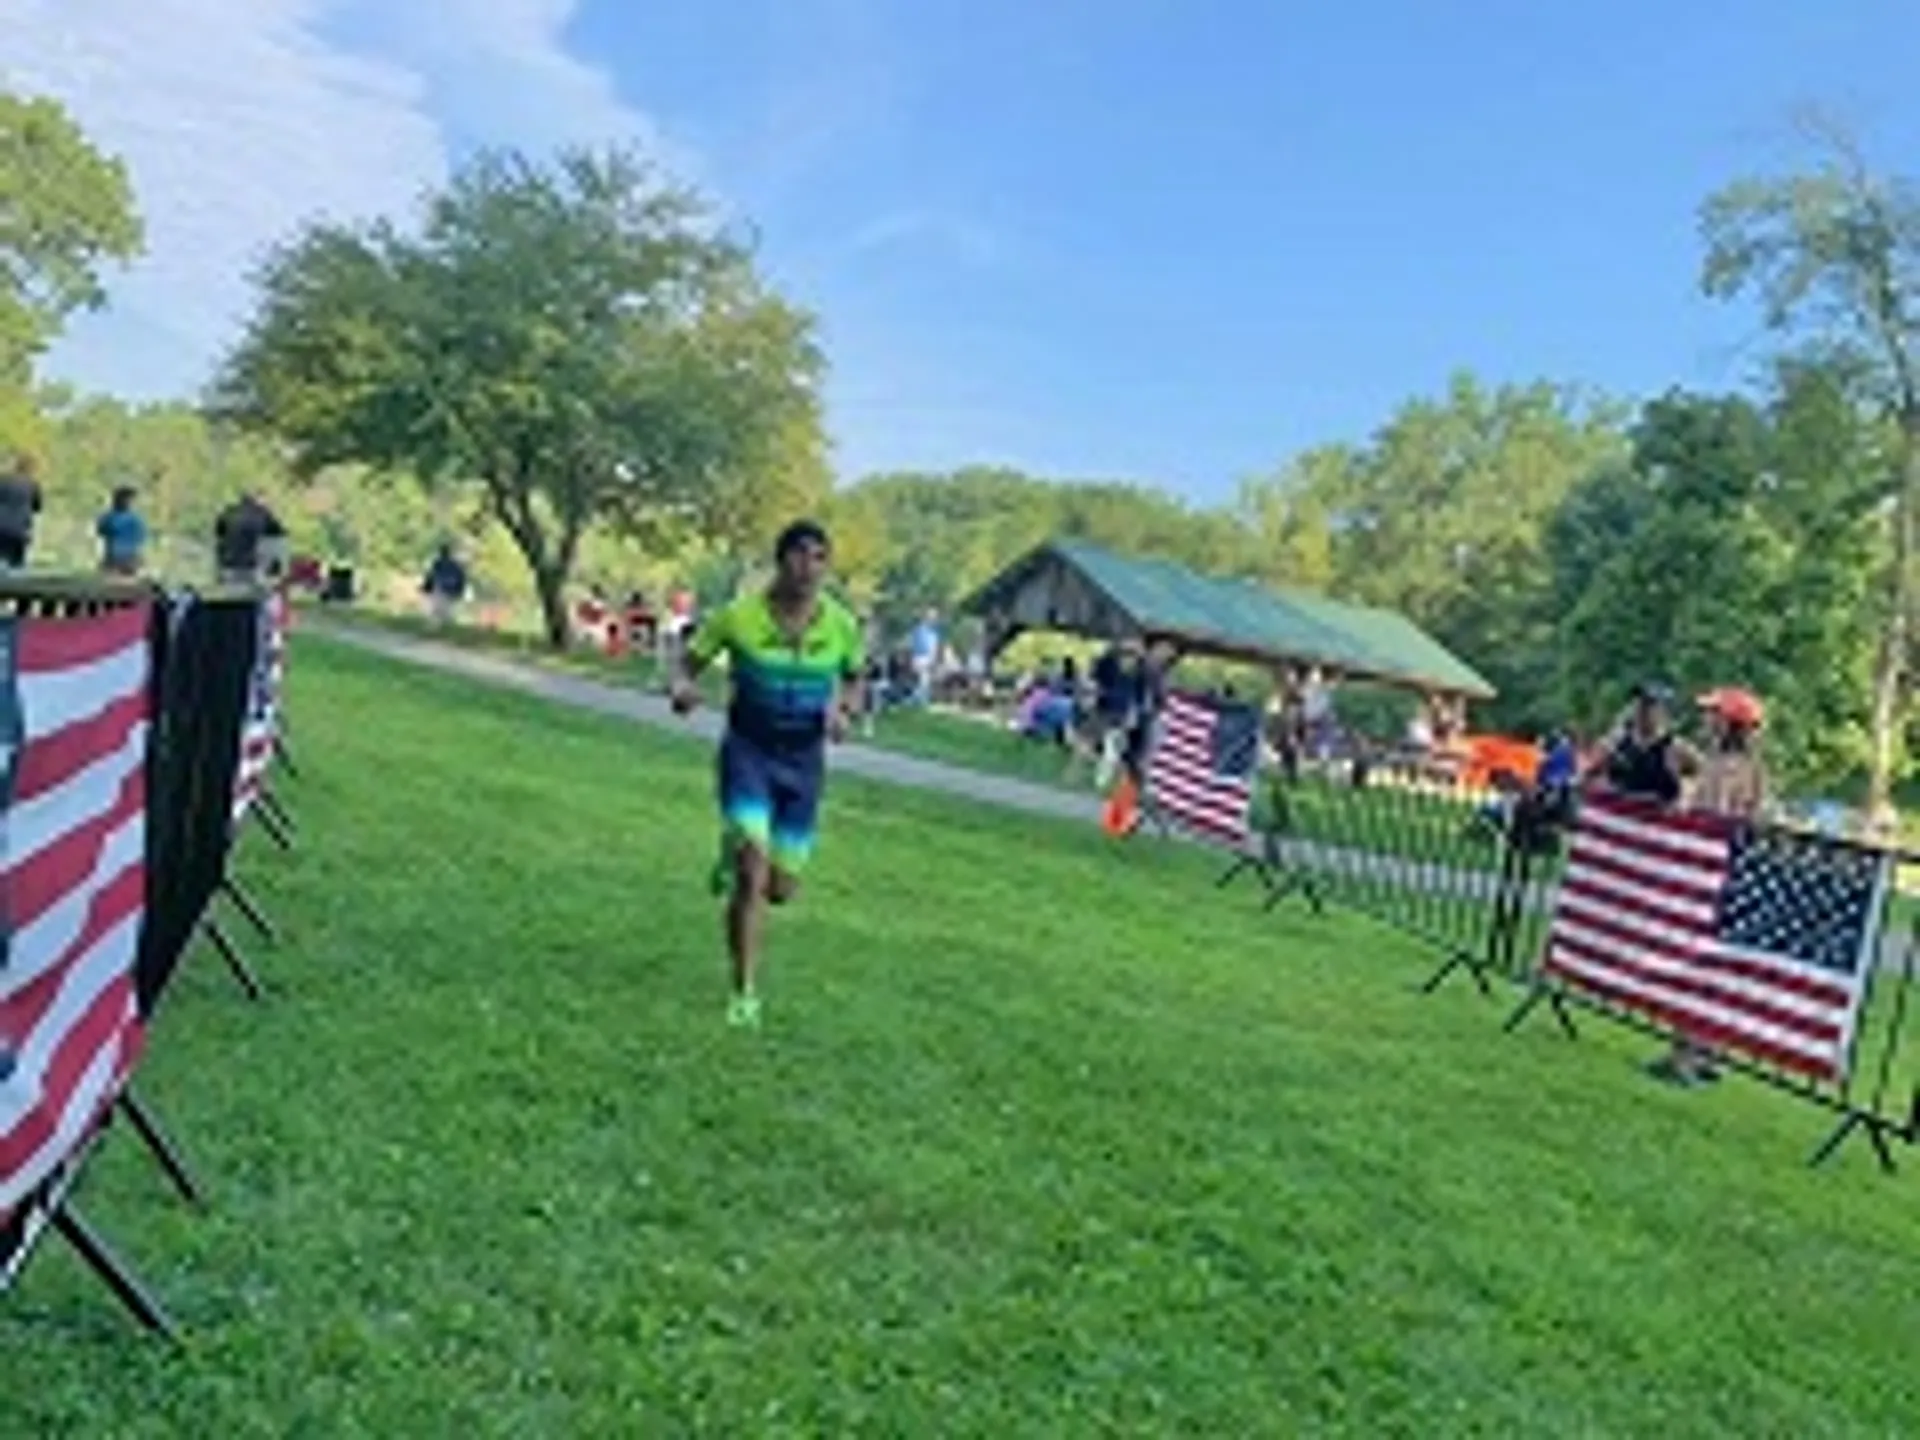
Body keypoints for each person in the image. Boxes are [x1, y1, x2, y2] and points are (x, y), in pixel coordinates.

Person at [671, 519, 865, 1029]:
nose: (809, 567)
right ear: (780, 561)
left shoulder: (841, 625)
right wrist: (682, 688)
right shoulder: (738, 617)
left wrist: (844, 710)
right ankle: (744, 991)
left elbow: (854, 677)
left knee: (781, 889)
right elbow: (687, 664)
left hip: (804, 763)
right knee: (752, 875)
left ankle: (734, 852)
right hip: (748, 751)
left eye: (820, 557)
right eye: (799, 555)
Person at [1647, 686, 1771, 1087]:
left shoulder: (1728, 768)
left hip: (1712, 876)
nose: (1707, 720)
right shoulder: (1748, 767)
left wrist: (1681, 812)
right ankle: (1707, 1053)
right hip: (1729, 875)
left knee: (1696, 965)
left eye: (1713, 714)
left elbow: (1712, 819)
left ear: (1730, 724)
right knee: (1715, 966)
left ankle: (1686, 1056)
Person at [214, 491, 287, 585]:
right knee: (273, 542)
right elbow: (279, 537)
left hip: (228, 565)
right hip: (252, 567)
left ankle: (220, 576)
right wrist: (275, 570)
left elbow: (219, 534)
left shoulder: (228, 512)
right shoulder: (264, 515)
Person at [0, 453, 44, 568]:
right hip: (20, 530)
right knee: (16, 566)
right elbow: (37, 508)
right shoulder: (33, 485)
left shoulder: (3, 481)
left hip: (1, 527)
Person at [420, 542, 468, 626]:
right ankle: (445, 626)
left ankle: (437, 626)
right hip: (451, 590)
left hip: (441, 589)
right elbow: (461, 578)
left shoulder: (437, 563)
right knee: (447, 611)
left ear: (440, 552)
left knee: (436, 611)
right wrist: (460, 590)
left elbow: (430, 575)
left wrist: (426, 587)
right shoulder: (455, 565)